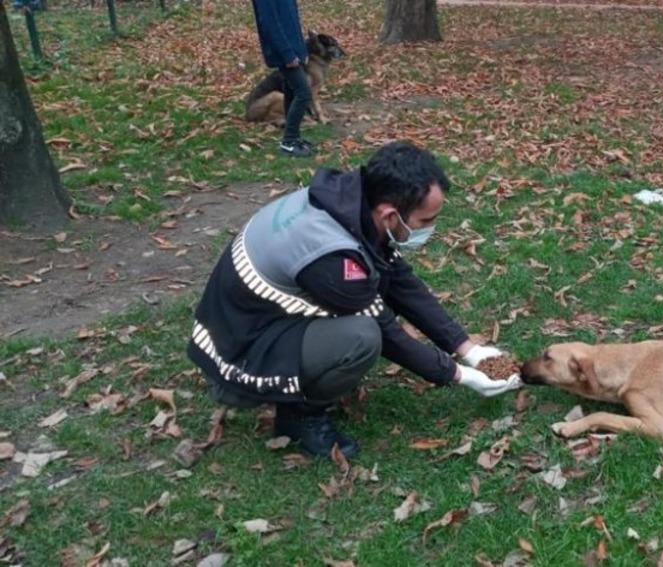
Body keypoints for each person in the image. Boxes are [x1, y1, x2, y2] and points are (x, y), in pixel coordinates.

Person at [187, 142, 522, 458]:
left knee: (368, 310)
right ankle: (300, 414)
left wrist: (468, 349)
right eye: (426, 221)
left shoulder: (352, 202)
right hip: (241, 356)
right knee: (361, 338)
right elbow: (387, 332)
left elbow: (398, 281)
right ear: (391, 215)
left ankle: (303, 381)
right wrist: (459, 375)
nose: (431, 228)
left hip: (248, 325)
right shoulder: (331, 258)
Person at [250, 0, 313, 157]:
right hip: (282, 51)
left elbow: (293, 21)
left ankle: (294, 138)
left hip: (293, 49)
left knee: (291, 89)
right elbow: (271, 24)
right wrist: (287, 54)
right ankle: (288, 141)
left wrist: (301, 50)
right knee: (303, 93)